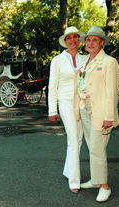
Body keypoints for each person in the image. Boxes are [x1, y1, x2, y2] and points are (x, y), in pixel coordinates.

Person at [75, 25, 119, 202]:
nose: (90, 43)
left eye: (95, 40)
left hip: (101, 112)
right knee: (91, 145)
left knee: (97, 149)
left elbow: (112, 92)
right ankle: (95, 180)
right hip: (85, 108)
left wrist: (109, 117)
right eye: (88, 39)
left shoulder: (109, 62)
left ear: (102, 42)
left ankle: (104, 186)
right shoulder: (85, 60)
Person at [48, 26, 86, 193]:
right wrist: (52, 110)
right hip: (64, 101)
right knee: (72, 137)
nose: (72, 40)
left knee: (79, 139)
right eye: (69, 38)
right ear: (65, 41)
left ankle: (68, 170)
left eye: (75, 37)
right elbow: (52, 86)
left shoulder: (85, 59)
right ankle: (74, 180)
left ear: (79, 40)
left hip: (82, 103)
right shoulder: (57, 60)